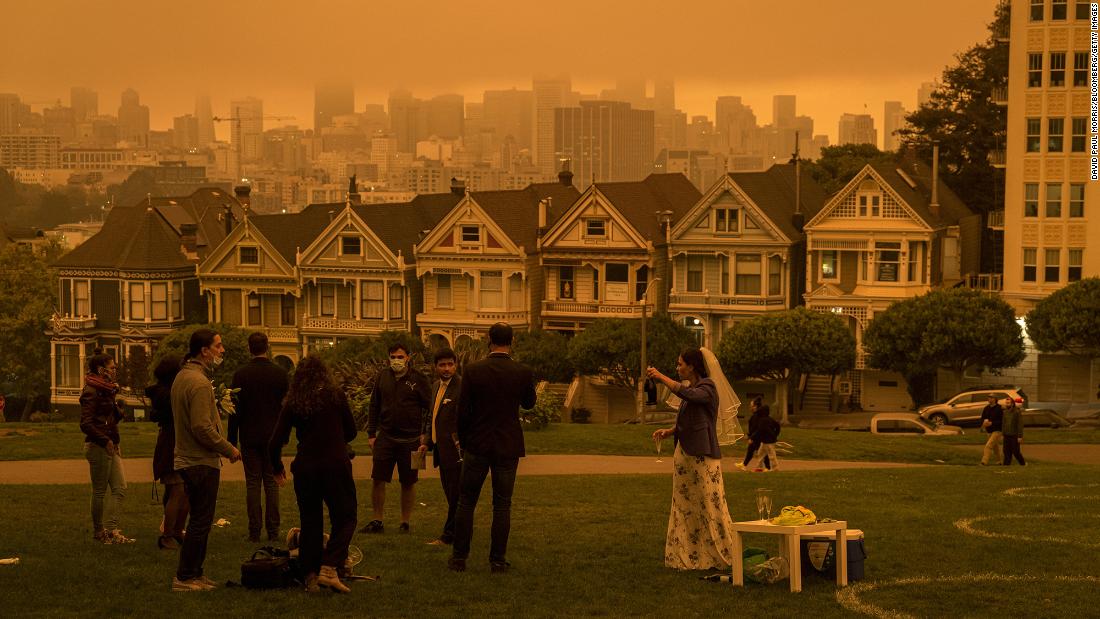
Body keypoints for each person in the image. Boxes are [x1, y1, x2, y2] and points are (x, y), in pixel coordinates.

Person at [448, 323, 536, 573]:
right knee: (502, 504)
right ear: (512, 341)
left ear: (489, 340)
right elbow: (529, 403)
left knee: (466, 501)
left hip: (477, 442)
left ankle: (459, 557)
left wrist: (463, 442)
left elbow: (462, 410)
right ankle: (497, 559)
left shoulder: (474, 371)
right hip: (507, 444)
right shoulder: (521, 371)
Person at [269, 355, 357, 593]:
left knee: (311, 521)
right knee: (345, 516)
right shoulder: (335, 396)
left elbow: (275, 441)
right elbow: (351, 431)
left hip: (306, 466)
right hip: (335, 464)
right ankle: (330, 566)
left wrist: (277, 467)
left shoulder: (294, 402)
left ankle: (310, 574)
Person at [646, 347, 737, 570]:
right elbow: (691, 421)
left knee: (708, 503)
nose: (677, 368)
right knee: (685, 505)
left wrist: (660, 377)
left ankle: (718, 555)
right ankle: (688, 554)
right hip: (685, 456)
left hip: (702, 456)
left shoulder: (707, 387)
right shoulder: (691, 388)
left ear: (692, 366)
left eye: (680, 364)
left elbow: (690, 397)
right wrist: (671, 431)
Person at [171, 328, 242, 592]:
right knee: (201, 522)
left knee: (199, 520)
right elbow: (202, 427)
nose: (222, 351)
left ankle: (195, 574)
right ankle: (186, 576)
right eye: (218, 346)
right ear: (204, 350)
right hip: (200, 461)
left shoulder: (183, 377)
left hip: (188, 459)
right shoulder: (199, 383)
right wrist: (229, 449)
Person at [361, 343, 431, 534]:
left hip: (413, 440)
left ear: (408, 357)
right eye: (393, 357)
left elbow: (430, 408)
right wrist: (371, 434)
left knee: (409, 482)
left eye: (400, 357)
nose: (396, 360)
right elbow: (374, 405)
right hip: (386, 437)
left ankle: (405, 522)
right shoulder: (383, 376)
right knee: (378, 479)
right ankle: (377, 520)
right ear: (388, 358)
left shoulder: (419, 379)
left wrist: (426, 434)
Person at [229, 332, 289, 543]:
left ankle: (254, 531)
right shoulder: (280, 374)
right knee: (272, 483)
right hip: (273, 436)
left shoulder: (241, 375)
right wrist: (285, 435)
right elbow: (285, 409)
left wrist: (231, 440)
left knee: (253, 483)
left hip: (249, 435)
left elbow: (234, 410)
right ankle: (273, 531)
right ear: (267, 347)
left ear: (249, 348)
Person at [80, 350, 133, 545]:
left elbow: (109, 418)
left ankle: (111, 530)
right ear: (101, 370)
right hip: (98, 446)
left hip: (111, 444)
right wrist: (105, 440)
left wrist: (117, 411)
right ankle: (99, 531)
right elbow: (86, 423)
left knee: (120, 488)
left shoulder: (107, 390)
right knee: (100, 491)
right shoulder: (91, 391)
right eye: (112, 368)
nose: (115, 370)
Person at [145, 355, 188, 550]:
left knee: (178, 490)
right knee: (178, 489)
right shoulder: (167, 394)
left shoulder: (164, 392)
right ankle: (168, 534)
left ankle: (176, 531)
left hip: (173, 442)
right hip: (172, 444)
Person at [424, 347, 462, 546]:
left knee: (456, 495)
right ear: (436, 367)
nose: (447, 368)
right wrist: (426, 442)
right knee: (450, 494)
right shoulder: (436, 386)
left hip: (456, 451)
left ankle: (449, 536)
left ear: (455, 364)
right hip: (441, 449)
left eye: (450, 364)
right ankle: (459, 530)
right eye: (442, 365)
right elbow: (433, 416)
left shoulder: (461, 386)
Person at [737, 397, 771, 471]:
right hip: (755, 437)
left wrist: (751, 437)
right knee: (751, 450)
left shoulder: (757, 416)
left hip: (758, 437)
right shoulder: (756, 415)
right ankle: (744, 464)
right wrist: (749, 435)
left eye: (751, 405)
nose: (750, 407)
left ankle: (768, 468)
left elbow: (756, 428)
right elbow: (753, 427)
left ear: (755, 406)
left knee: (762, 452)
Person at [745, 402, 780, 472]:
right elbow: (778, 426)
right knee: (760, 453)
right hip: (765, 441)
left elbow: (759, 431)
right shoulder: (769, 419)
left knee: (771, 455)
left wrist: (751, 437)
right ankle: (759, 467)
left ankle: (775, 468)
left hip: (769, 441)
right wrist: (775, 434)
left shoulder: (763, 420)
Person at [979, 394, 1004, 466]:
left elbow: (1002, 421)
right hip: (989, 430)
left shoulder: (999, 408)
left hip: (997, 430)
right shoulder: (986, 408)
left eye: (991, 398)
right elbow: (982, 418)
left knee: (988, 446)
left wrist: (992, 423)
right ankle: (999, 461)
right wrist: (983, 423)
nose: (989, 399)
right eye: (988, 397)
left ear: (995, 399)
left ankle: (984, 462)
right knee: (995, 447)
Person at [1001, 398, 1026, 466]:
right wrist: (1003, 433)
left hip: (1014, 435)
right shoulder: (1005, 412)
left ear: (1012, 404)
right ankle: (1006, 465)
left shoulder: (1016, 412)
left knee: (1016, 451)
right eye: (1006, 403)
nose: (1007, 404)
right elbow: (1003, 423)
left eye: (1008, 403)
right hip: (1006, 435)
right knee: (1006, 451)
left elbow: (1019, 424)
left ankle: (1023, 463)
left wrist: (1020, 436)